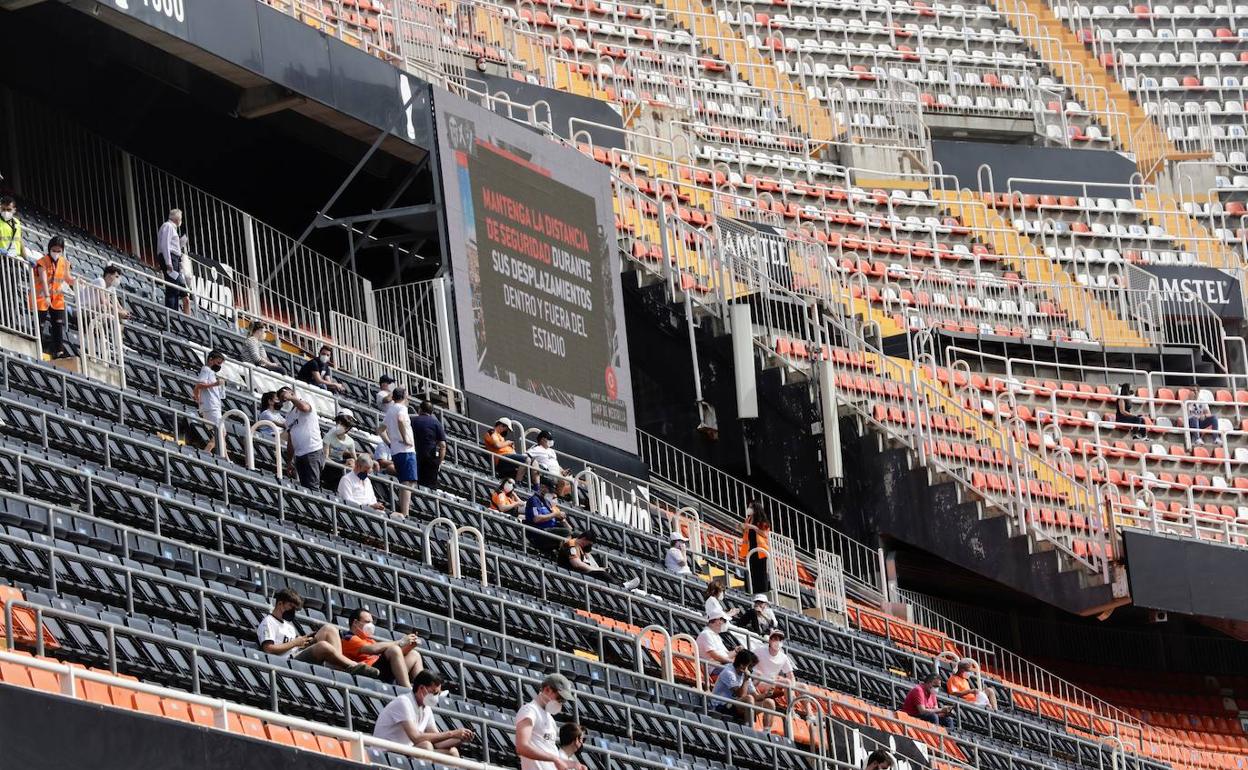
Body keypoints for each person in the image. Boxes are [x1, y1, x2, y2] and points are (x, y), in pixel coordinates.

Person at [256, 587, 379, 677]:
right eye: (290, 606)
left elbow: (293, 645)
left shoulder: (288, 626)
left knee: (329, 629)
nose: (293, 610)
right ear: (280, 604)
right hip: (286, 662)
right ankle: (353, 666)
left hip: (296, 653)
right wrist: (295, 643)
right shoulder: (268, 622)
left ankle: (341, 667)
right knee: (323, 646)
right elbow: (268, 649)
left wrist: (303, 641)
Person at [372, 671, 472, 756]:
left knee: (452, 752)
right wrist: (452, 733)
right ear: (421, 688)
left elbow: (438, 742)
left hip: (405, 752)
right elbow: (416, 737)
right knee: (426, 746)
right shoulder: (403, 702)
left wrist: (461, 738)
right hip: (386, 751)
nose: (436, 697)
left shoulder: (427, 709)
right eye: (434, 693)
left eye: (438, 694)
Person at [514, 673, 584, 770]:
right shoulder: (530, 710)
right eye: (559, 698)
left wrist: (570, 764)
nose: (561, 702)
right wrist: (555, 759)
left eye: (563, 700)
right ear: (547, 689)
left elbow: (549, 753)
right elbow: (522, 747)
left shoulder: (550, 719)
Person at [342, 608, 424, 688]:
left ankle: (421, 688)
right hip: (370, 672)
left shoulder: (369, 640)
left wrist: (409, 646)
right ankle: (407, 688)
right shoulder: (349, 638)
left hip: (383, 671)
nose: (371, 625)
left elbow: (396, 656)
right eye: (367, 622)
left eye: (372, 622)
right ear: (355, 622)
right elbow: (372, 649)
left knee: (414, 654)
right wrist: (400, 642)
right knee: (394, 649)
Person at [33, 235, 75, 359]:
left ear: (62, 250)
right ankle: (37, 347)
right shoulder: (42, 261)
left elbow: (68, 278)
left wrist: (76, 281)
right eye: (54, 250)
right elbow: (43, 280)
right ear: (49, 249)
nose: (56, 252)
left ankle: (59, 351)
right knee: (40, 323)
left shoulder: (64, 263)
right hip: (42, 296)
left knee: (58, 325)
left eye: (59, 250)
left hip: (57, 298)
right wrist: (47, 296)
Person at [711, 648, 774, 727]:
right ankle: (749, 729)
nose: (752, 669)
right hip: (721, 705)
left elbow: (756, 697)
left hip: (736, 705)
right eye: (751, 666)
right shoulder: (728, 672)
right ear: (742, 665)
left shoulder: (745, 674)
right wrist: (746, 679)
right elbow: (741, 695)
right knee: (749, 699)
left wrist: (765, 694)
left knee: (769, 702)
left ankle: (766, 732)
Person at [556, 531, 641, 590]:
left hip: (576, 571)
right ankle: (623, 587)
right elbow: (576, 564)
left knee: (606, 571)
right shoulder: (571, 545)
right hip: (568, 571)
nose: (589, 546)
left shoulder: (579, 547)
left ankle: (622, 585)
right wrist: (596, 569)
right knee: (601, 573)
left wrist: (598, 568)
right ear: (584, 539)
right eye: (589, 543)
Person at [279, 386, 324, 490]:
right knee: (304, 488)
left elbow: (304, 408)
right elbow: (290, 440)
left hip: (312, 450)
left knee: (312, 487)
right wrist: (289, 461)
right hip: (299, 454)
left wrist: (291, 397)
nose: (284, 398)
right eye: (282, 398)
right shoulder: (289, 416)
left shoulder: (305, 402)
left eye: (284, 395)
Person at [381, 387, 417, 518]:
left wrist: (390, 443)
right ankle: (405, 513)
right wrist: (405, 438)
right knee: (408, 482)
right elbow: (401, 420)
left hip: (396, 450)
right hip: (405, 450)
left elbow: (380, 430)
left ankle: (403, 511)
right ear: (404, 397)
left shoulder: (390, 410)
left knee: (405, 482)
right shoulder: (402, 408)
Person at [157, 208, 190, 314]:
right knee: (172, 288)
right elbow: (165, 245)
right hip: (171, 259)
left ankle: (173, 313)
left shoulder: (171, 228)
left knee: (175, 287)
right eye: (181, 218)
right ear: (177, 219)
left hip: (174, 258)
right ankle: (171, 314)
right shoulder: (168, 226)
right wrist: (168, 262)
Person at [194, 350, 226, 454]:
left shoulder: (211, 373)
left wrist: (199, 400)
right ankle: (206, 452)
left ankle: (226, 458)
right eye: (218, 362)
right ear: (211, 360)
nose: (219, 366)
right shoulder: (206, 369)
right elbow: (198, 386)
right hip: (211, 407)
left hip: (214, 406)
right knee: (221, 433)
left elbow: (196, 390)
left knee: (222, 434)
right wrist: (215, 384)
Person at [525, 480, 572, 549]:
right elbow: (536, 519)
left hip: (550, 530)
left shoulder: (547, 502)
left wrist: (563, 519)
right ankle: (565, 552)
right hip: (538, 532)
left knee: (575, 534)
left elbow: (569, 528)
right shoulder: (534, 500)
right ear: (542, 487)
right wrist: (555, 514)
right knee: (566, 532)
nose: (551, 493)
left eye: (552, 491)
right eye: (550, 490)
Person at [751, 630, 796, 703]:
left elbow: (791, 676)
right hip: (759, 682)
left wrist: (792, 688)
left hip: (773, 682)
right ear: (770, 641)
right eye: (775, 639)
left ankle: (807, 710)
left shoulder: (783, 657)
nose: (777, 642)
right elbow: (747, 659)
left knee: (803, 686)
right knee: (787, 682)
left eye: (780, 640)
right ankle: (791, 708)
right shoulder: (759, 651)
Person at [529, 430, 574, 499]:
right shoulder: (536, 449)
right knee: (563, 481)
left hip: (557, 473)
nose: (551, 441)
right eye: (549, 439)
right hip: (546, 472)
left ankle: (560, 498)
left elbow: (555, 463)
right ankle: (559, 498)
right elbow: (526, 456)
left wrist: (562, 471)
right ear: (542, 439)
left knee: (574, 481)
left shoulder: (551, 451)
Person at [412, 400, 447, 490]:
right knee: (429, 488)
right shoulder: (436, 423)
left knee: (413, 484)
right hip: (430, 459)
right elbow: (442, 445)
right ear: (432, 412)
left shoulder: (412, 421)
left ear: (420, 409)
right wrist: (439, 461)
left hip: (414, 456)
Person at [740, 500, 771, 594]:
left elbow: (765, 534)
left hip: (760, 550)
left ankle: (762, 592)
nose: (749, 509)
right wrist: (742, 527)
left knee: (760, 572)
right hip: (750, 549)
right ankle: (750, 590)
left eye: (751, 507)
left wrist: (753, 527)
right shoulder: (748, 519)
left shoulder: (762, 521)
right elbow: (746, 533)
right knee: (750, 571)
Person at [322, 409, 358, 490]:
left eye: (342, 424)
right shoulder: (329, 436)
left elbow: (355, 460)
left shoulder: (350, 441)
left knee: (351, 462)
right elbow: (325, 458)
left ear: (348, 428)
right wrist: (342, 466)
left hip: (339, 464)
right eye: (338, 423)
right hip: (328, 465)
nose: (339, 425)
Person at [0, 196, 29, 263]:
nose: (6, 212)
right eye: (3, 209)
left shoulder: (17, 222)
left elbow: (20, 241)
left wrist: (26, 259)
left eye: (9, 210)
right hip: (2, 258)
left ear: (14, 210)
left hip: (15, 259)